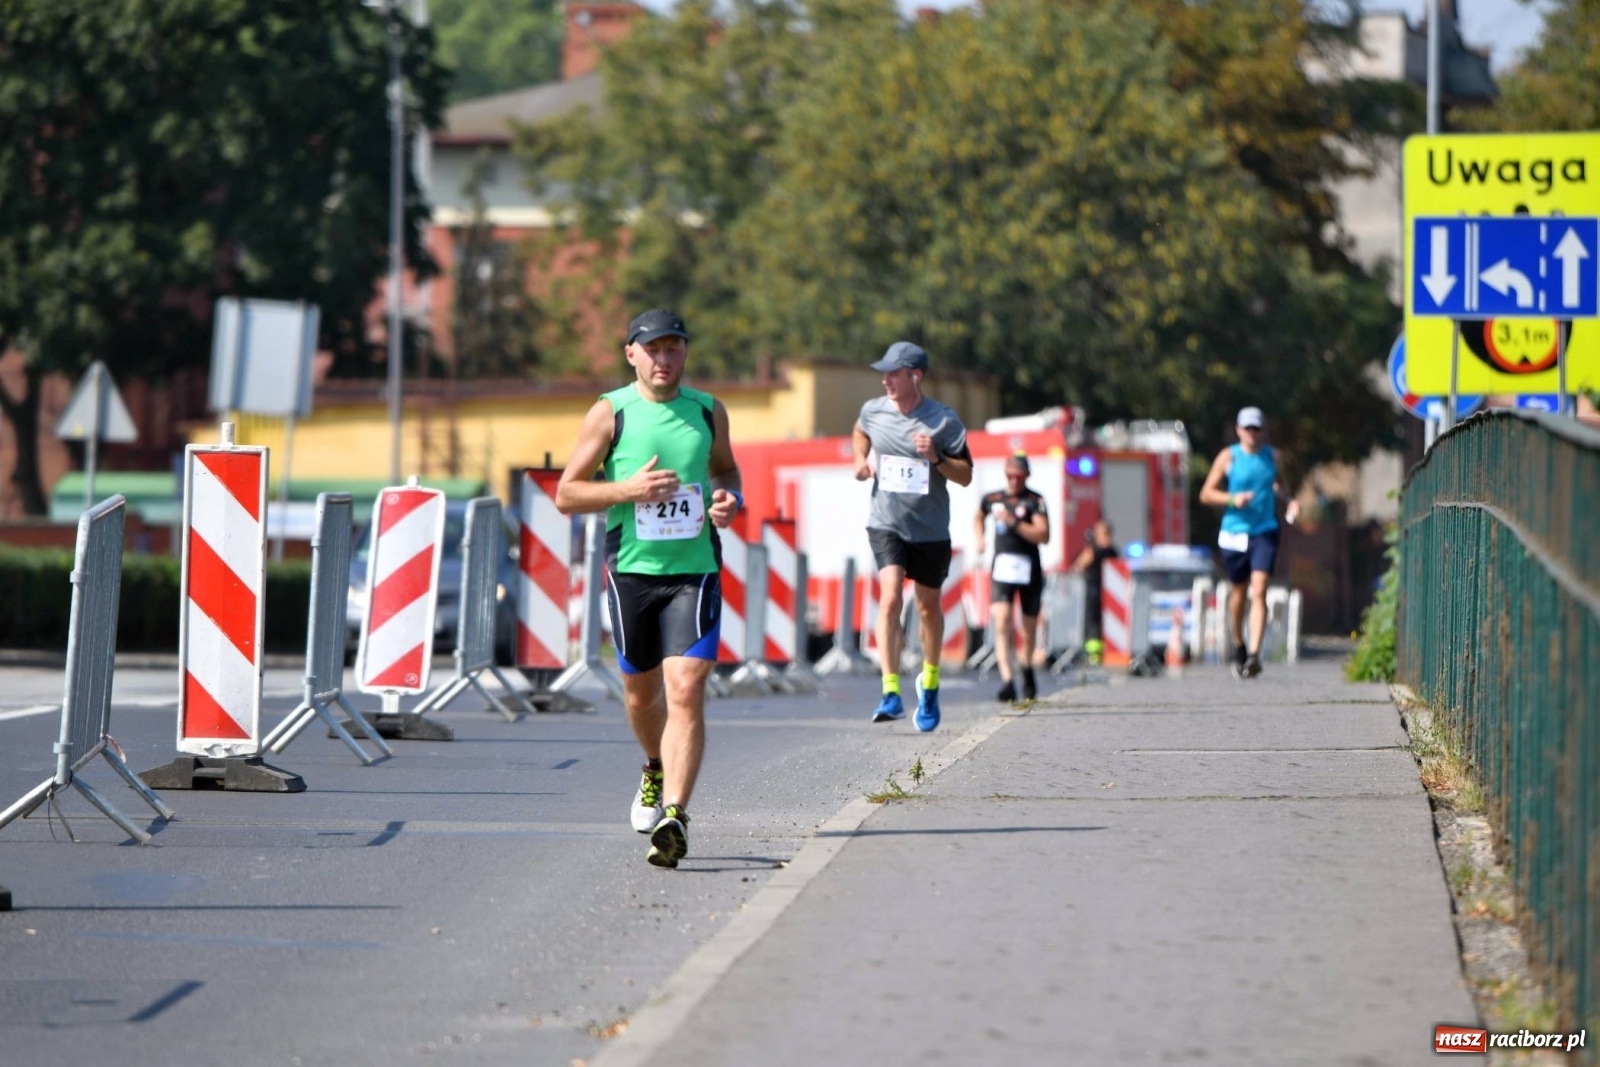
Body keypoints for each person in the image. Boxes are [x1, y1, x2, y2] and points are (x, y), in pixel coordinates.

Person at [556, 309, 743, 868]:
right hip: (632, 572)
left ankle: (676, 816)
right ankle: (654, 768)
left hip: (696, 570)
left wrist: (730, 500)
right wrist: (627, 490)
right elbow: (567, 494)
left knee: (685, 688)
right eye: (653, 349)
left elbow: (726, 471)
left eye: (674, 349)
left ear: (685, 354)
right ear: (631, 354)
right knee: (640, 695)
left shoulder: (708, 411)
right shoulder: (610, 412)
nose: (664, 360)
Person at [852, 341, 973, 732]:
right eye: (883, 373)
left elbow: (966, 476)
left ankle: (930, 683)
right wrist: (860, 461)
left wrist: (936, 457)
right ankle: (890, 691)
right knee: (889, 598)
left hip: (931, 530)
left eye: (894, 373)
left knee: (926, 608)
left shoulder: (944, 421)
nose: (885, 380)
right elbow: (860, 431)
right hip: (886, 522)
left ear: (915, 377)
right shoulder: (873, 410)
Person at [1199, 406, 1299, 679]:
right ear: (1239, 430)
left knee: (1259, 589)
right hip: (1233, 532)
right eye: (1248, 429)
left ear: (1262, 431)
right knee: (1238, 593)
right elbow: (1206, 494)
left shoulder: (1272, 457)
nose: (1252, 434)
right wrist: (1232, 499)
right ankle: (1239, 642)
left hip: (1264, 531)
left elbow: (1279, 485)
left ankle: (1254, 654)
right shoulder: (1228, 457)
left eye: (1257, 429)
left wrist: (1289, 502)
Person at [974, 452, 1050, 703]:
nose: (1014, 481)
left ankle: (1026, 666)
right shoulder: (994, 498)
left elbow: (1043, 534)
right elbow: (978, 515)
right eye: (1010, 476)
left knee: (1028, 628)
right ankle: (1007, 679)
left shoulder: (1034, 501)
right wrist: (981, 538)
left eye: (1019, 476)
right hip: (1003, 568)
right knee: (1002, 621)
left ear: (1026, 476)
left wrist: (1015, 523)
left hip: (1029, 568)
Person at [1069, 519, 1118, 666]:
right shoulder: (1113, 551)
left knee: (1092, 624)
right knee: (1101, 624)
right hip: (1107, 594)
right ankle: (1099, 654)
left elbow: (1078, 566)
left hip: (1094, 591)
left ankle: (1093, 656)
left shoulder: (1093, 550)